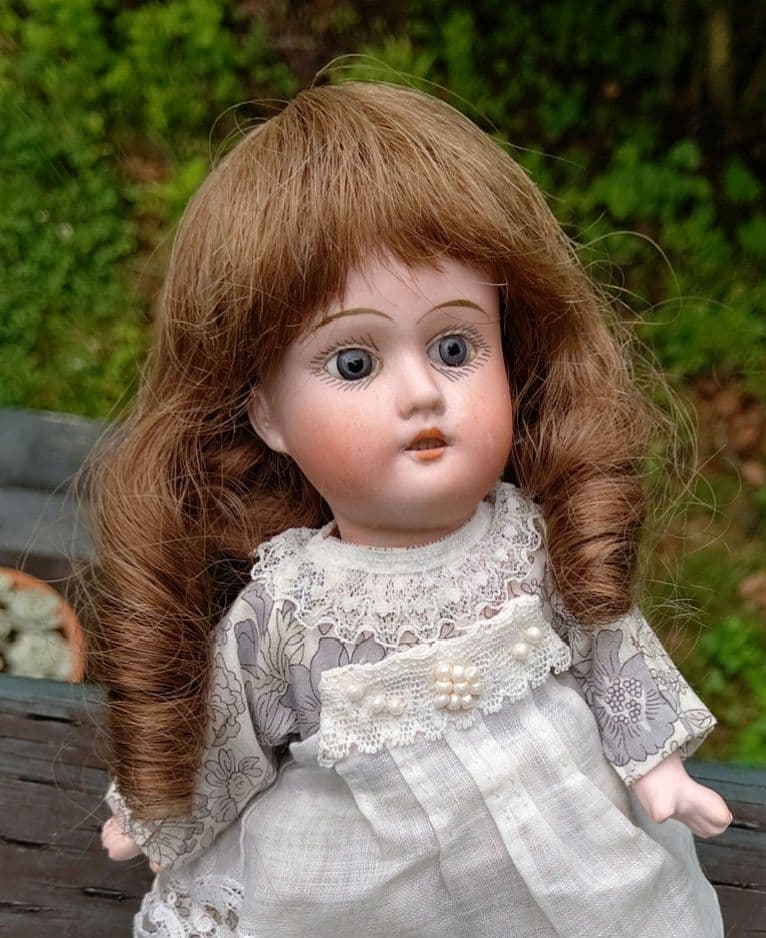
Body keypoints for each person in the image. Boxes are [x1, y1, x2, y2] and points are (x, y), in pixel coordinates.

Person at [91, 79, 731, 937]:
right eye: (355, 365)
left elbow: (608, 650)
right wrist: (157, 815)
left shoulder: (529, 544)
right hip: (365, 892)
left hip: (566, 853)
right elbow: (227, 729)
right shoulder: (295, 603)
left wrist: (657, 771)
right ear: (268, 416)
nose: (423, 392)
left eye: (455, 347)